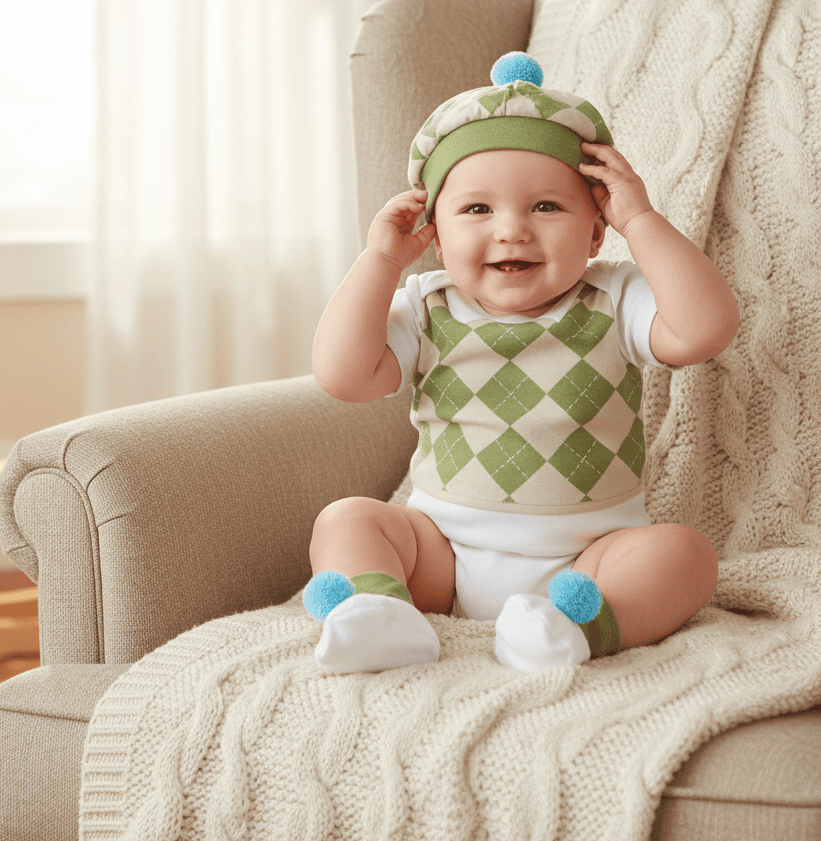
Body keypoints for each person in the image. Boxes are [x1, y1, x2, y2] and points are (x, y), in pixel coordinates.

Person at [304, 52, 737, 675]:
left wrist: (640, 220)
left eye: (547, 208)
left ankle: (568, 629)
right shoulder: (425, 306)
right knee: (346, 519)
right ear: (434, 233)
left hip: (588, 558)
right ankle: (378, 612)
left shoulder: (614, 297)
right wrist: (381, 263)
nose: (512, 231)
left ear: (595, 232)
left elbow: (705, 328)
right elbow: (342, 377)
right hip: (443, 552)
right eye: (477, 210)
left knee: (685, 555)